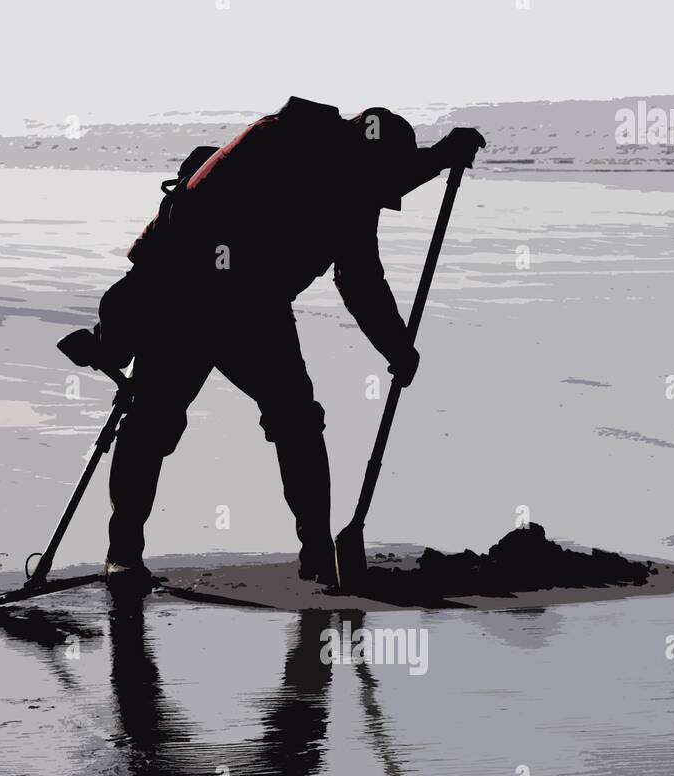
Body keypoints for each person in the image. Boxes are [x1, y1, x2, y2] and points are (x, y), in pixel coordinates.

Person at [100, 97, 485, 590]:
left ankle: (319, 551)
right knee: (154, 418)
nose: (378, 196)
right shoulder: (276, 145)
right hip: (185, 295)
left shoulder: (352, 170)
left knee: (298, 420)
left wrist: (396, 347)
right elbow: (192, 221)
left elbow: (359, 272)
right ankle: (124, 554)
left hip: (256, 308)